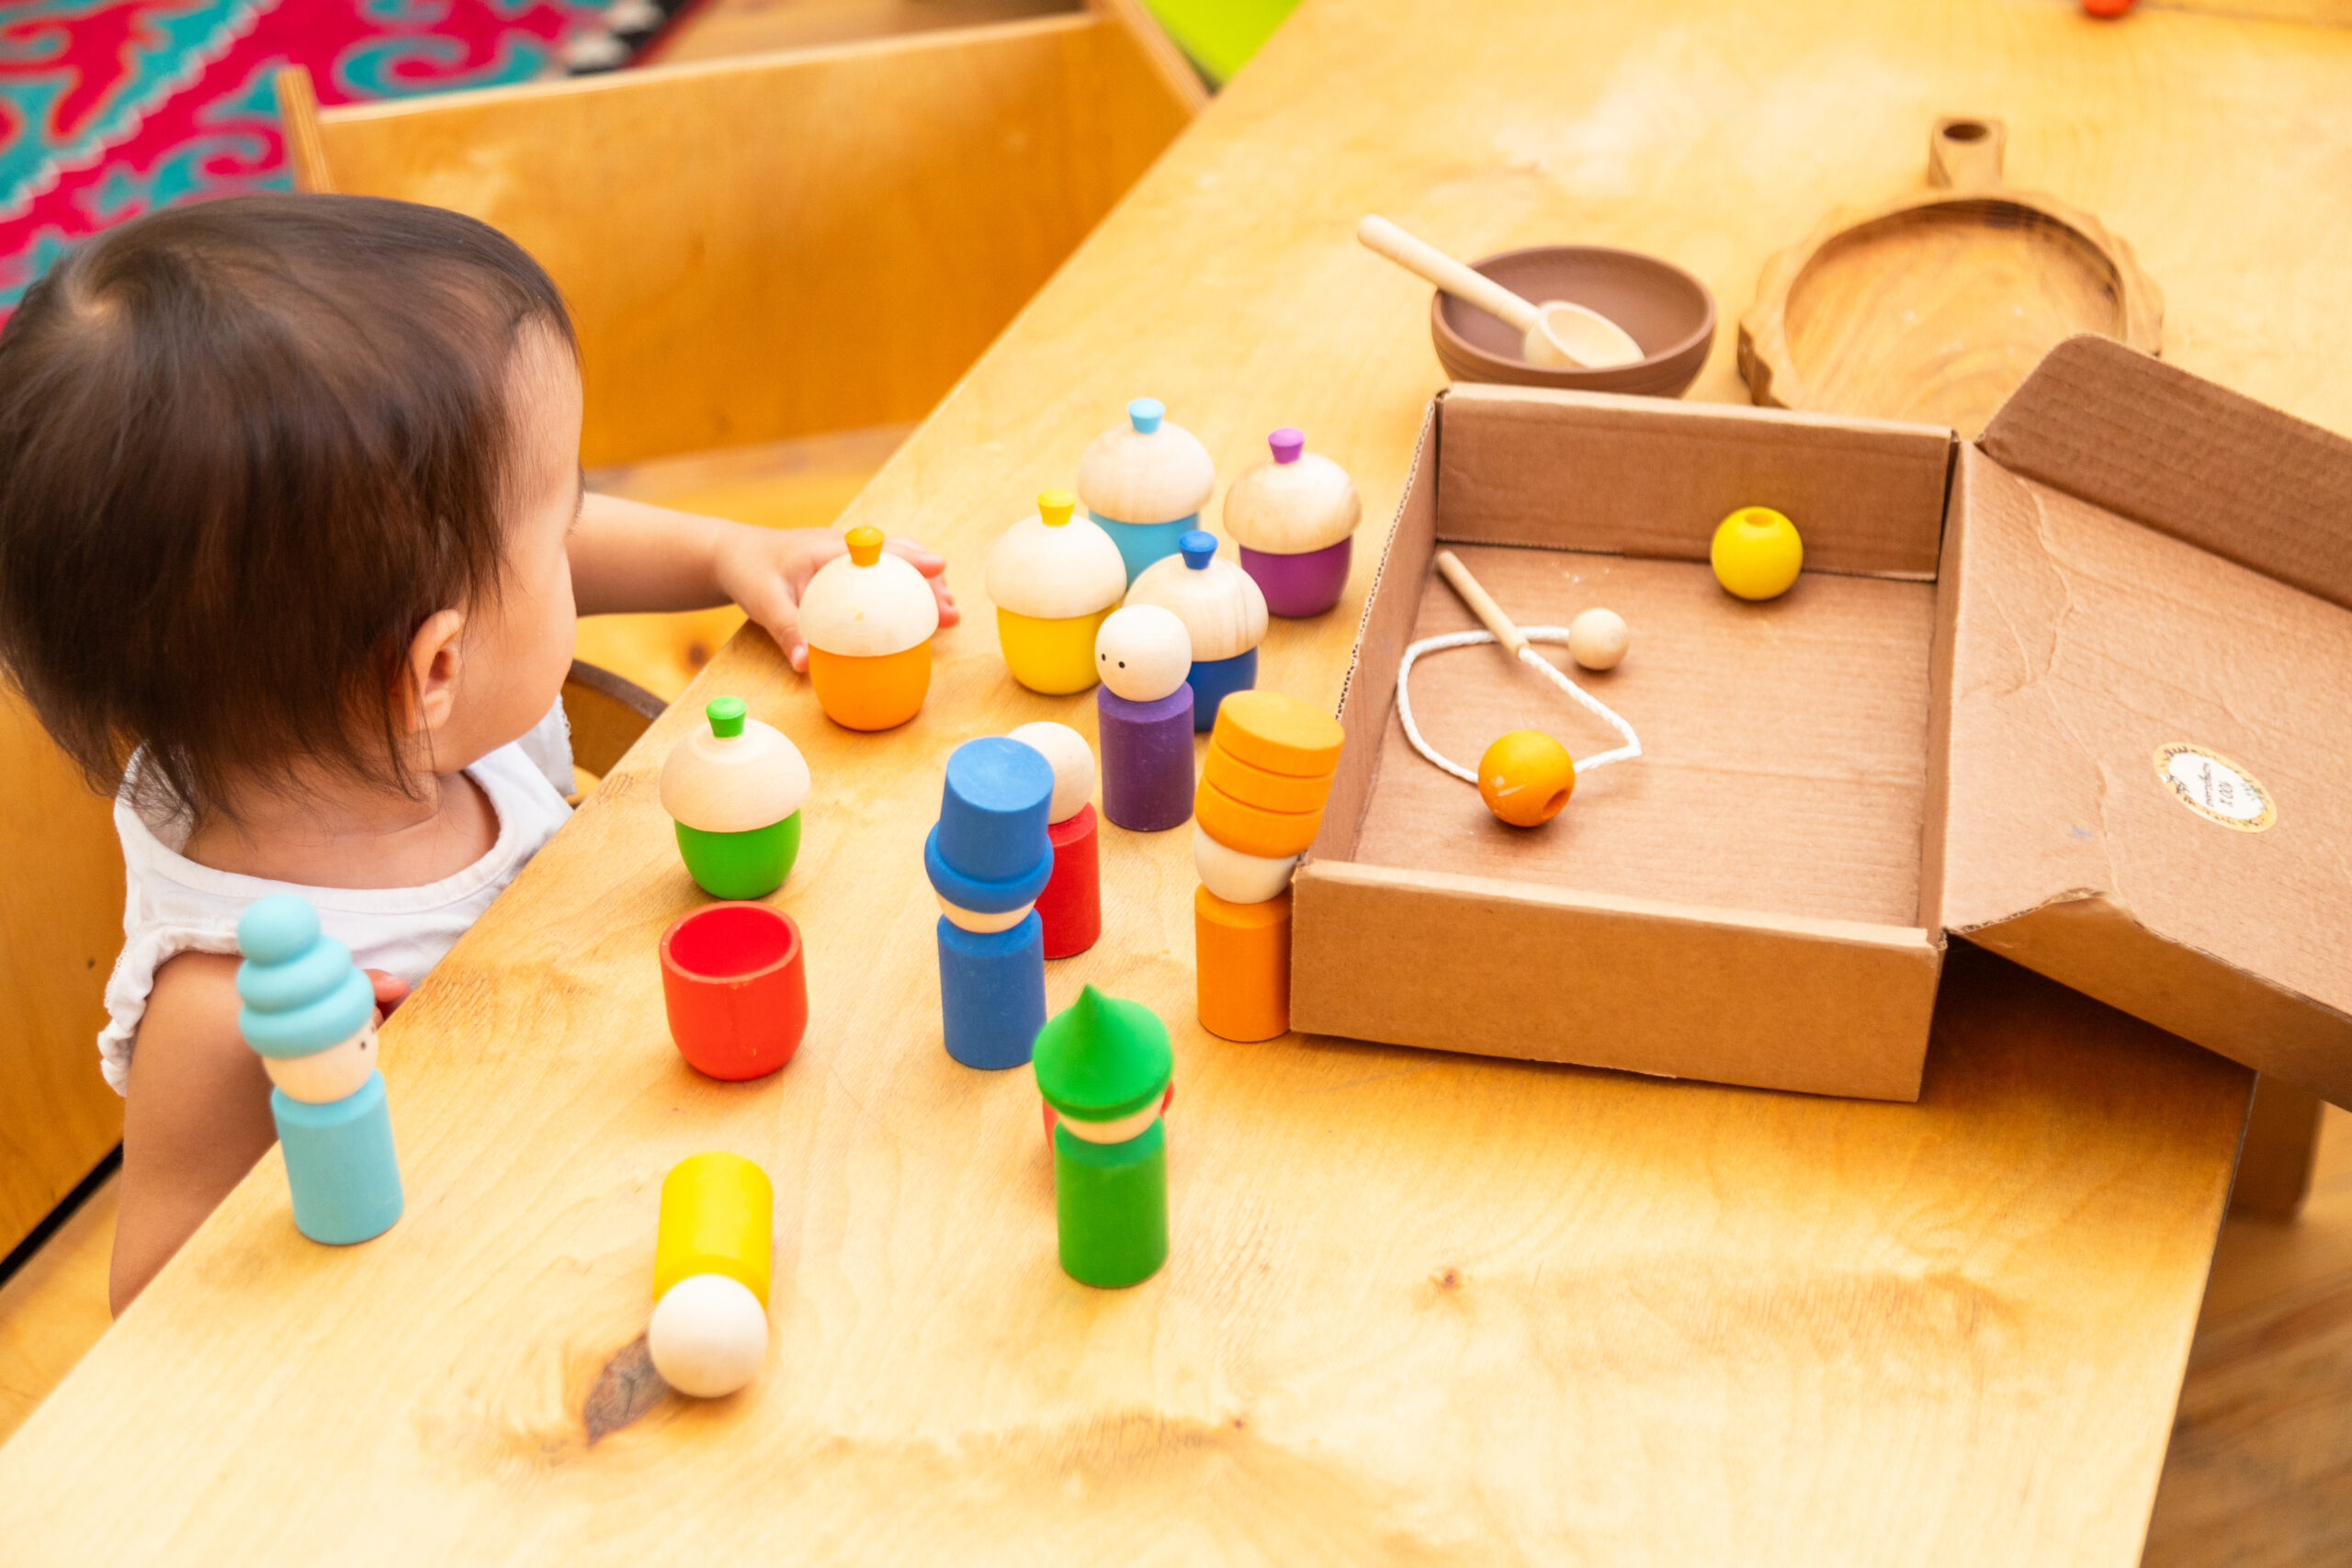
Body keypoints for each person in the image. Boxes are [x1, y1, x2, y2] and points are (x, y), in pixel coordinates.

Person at [0, 194, 958, 1312]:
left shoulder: (366, 713)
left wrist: (725, 551)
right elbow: (154, 1311)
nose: (576, 541)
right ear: (435, 669)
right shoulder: (226, 1010)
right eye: (560, 528)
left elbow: (516, 547)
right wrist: (331, 1108)